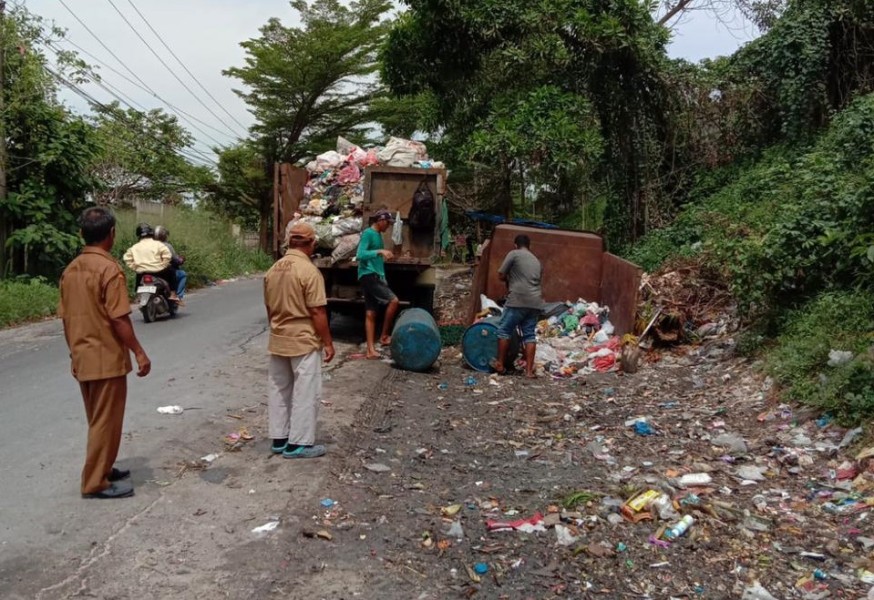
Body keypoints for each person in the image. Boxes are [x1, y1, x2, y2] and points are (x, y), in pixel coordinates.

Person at [58, 207, 152, 499]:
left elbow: (66, 318)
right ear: (111, 234)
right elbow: (119, 318)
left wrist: (74, 353)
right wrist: (139, 351)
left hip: (83, 356)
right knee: (105, 421)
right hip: (106, 358)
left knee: (97, 418)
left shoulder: (71, 270)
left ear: (81, 234)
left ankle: (105, 467)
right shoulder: (109, 269)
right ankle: (95, 482)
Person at [263, 222, 335, 459]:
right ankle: (298, 444)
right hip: (303, 339)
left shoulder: (273, 270)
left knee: (279, 390)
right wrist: (328, 342)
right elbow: (318, 312)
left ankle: (279, 438)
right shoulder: (309, 272)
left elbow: (269, 308)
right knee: (305, 391)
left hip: (278, 337)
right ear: (311, 244)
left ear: (290, 242)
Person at [492, 234, 543, 379]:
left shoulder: (513, 254)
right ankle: (528, 372)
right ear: (529, 245)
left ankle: (500, 364)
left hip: (518, 299)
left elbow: (501, 274)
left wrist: (508, 278)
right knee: (529, 334)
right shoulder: (536, 260)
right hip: (535, 302)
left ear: (515, 245)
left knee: (504, 330)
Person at [356, 209, 400, 359]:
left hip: (374, 275)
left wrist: (382, 273)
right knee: (393, 301)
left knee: (371, 313)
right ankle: (384, 335)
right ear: (380, 221)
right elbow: (360, 255)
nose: (388, 226)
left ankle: (370, 351)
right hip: (368, 275)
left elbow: (376, 258)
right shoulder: (368, 233)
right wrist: (380, 251)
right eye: (387, 223)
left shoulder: (378, 235)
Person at [123, 223, 178, 299]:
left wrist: (135, 267)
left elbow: (126, 258)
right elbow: (167, 255)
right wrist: (163, 264)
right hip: (159, 271)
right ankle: (173, 294)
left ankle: (137, 295)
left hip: (142, 272)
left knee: (138, 275)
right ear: (151, 233)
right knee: (172, 271)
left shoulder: (134, 247)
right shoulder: (159, 244)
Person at [153, 226, 187, 299]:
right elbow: (175, 259)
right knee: (182, 274)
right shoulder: (167, 246)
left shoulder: (148, 245)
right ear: (164, 236)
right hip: (164, 272)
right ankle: (178, 296)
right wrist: (181, 260)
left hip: (150, 270)